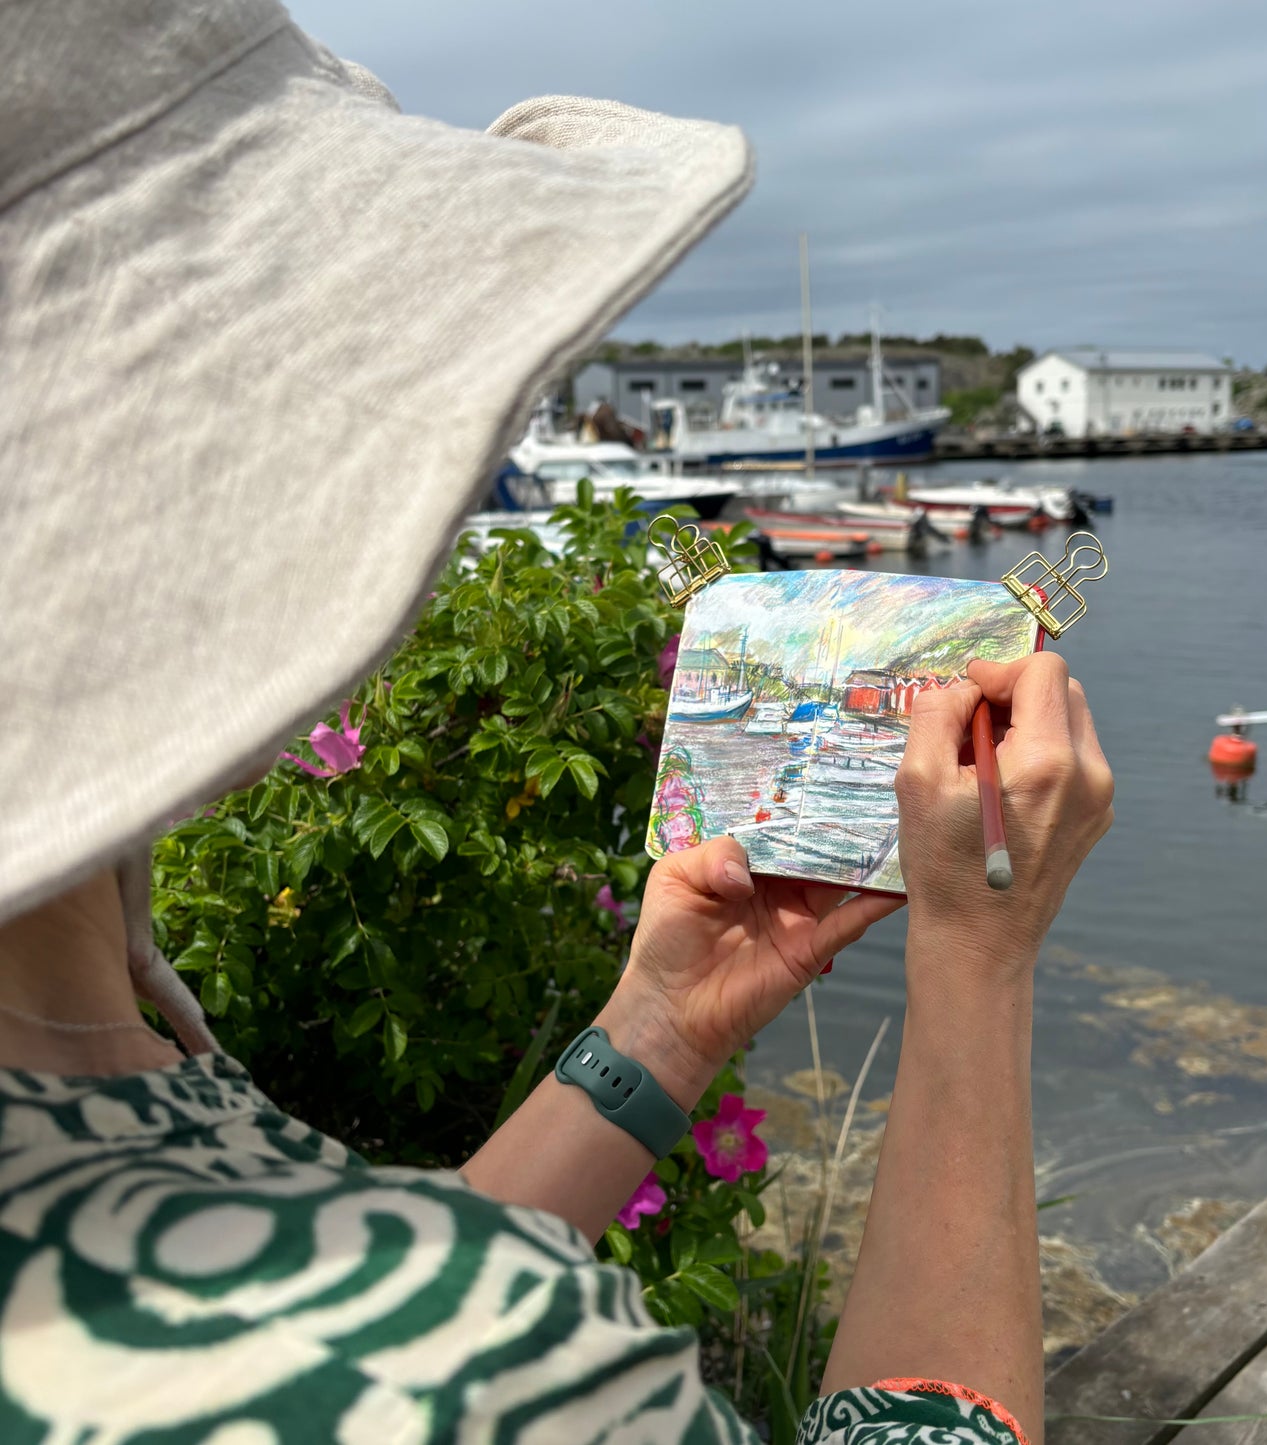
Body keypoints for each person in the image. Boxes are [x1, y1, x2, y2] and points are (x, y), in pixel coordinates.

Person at [0, 3, 1114, 1441]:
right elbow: (416, 1367)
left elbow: (358, 1330)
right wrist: (977, 956)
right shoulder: (493, 1366)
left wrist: (658, 1023)